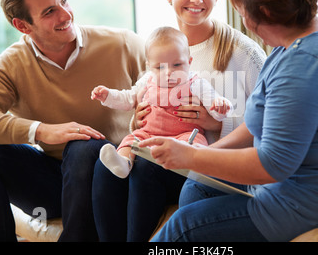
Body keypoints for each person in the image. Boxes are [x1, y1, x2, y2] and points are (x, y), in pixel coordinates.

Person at [141, 0, 318, 242]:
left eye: (243, 14)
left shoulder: (304, 65)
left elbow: (273, 164)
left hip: (313, 201)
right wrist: (204, 155)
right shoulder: (293, 43)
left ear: (264, 13)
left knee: (183, 228)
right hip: (289, 186)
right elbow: (257, 124)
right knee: (197, 185)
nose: (243, 23)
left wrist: (190, 154)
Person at [91, 0, 266, 242]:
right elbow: (142, 102)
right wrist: (137, 120)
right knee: (105, 165)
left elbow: (268, 121)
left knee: (147, 167)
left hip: (214, 167)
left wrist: (214, 123)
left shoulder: (242, 52)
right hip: (170, 156)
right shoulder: (160, 48)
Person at [0, 0, 145, 242]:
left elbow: (168, 84)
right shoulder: (13, 63)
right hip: (55, 184)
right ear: (22, 25)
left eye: (63, 1)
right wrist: (41, 131)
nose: (66, 14)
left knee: (84, 147)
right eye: (49, 11)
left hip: (115, 175)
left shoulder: (122, 44)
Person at [91, 26, 232, 179]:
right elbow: (127, 99)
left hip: (184, 136)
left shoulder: (195, 83)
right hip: (148, 135)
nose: (169, 72)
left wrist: (220, 106)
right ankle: (124, 163)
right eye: (160, 67)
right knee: (131, 140)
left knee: (196, 142)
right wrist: (108, 96)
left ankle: (193, 168)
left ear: (189, 62)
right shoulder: (147, 80)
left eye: (177, 65)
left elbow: (213, 103)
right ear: (149, 67)